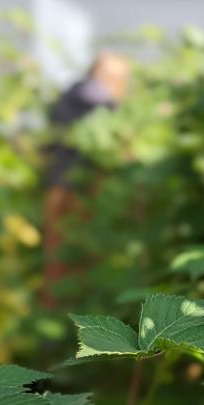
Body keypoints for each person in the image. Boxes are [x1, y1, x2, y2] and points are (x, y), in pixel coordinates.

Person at [41, 52, 130, 306]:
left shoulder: (69, 99)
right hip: (74, 192)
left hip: (66, 188)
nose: (121, 85)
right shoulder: (94, 101)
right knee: (69, 261)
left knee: (64, 262)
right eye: (117, 78)